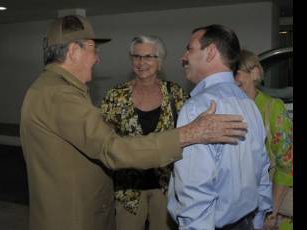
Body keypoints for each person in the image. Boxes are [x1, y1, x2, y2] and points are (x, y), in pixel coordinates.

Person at [20, 15, 248, 230]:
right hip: (74, 218)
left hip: (88, 207)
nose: (97, 58)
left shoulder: (51, 88)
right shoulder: (61, 95)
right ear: (72, 51)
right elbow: (112, 148)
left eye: (148, 56)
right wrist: (189, 133)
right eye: (93, 49)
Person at [167, 24, 272, 230]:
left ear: (211, 52)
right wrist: (257, 222)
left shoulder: (198, 107)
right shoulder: (249, 104)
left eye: (190, 49)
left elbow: (195, 190)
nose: (183, 57)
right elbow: (262, 173)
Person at [100, 35, 187, 230]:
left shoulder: (175, 94)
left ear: (160, 61)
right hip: (128, 188)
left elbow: (187, 135)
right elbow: (104, 139)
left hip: (166, 185)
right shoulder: (116, 96)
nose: (141, 63)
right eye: (136, 56)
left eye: (148, 56)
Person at [235, 49, 293, 230]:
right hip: (238, 209)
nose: (231, 80)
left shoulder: (272, 108)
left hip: (273, 210)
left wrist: (271, 212)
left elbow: (287, 165)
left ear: (255, 73)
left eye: (236, 73)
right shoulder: (229, 109)